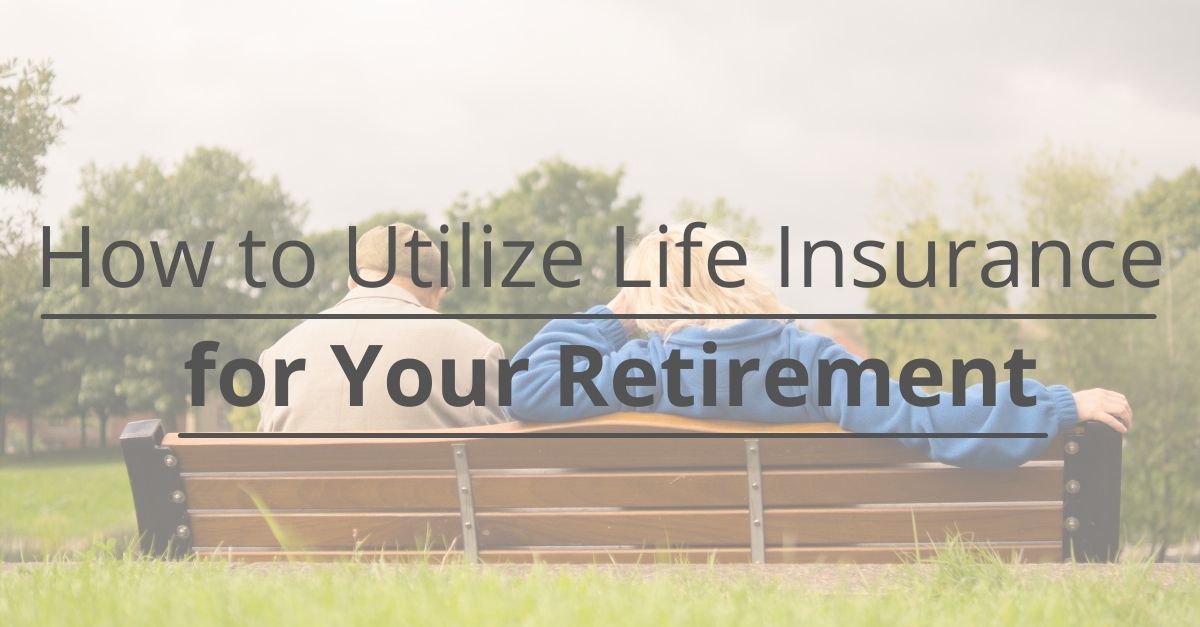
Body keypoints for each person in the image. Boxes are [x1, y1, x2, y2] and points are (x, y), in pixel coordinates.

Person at [508, 225, 1131, 467]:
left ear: (653, 303)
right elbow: (926, 416)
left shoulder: (640, 369)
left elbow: (525, 389)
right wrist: (1052, 405)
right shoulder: (812, 362)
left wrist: (615, 314)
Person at [257, 223, 510, 431]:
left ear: (353, 281)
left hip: (300, 495)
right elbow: (499, 465)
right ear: (437, 290)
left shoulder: (277, 356)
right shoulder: (476, 351)